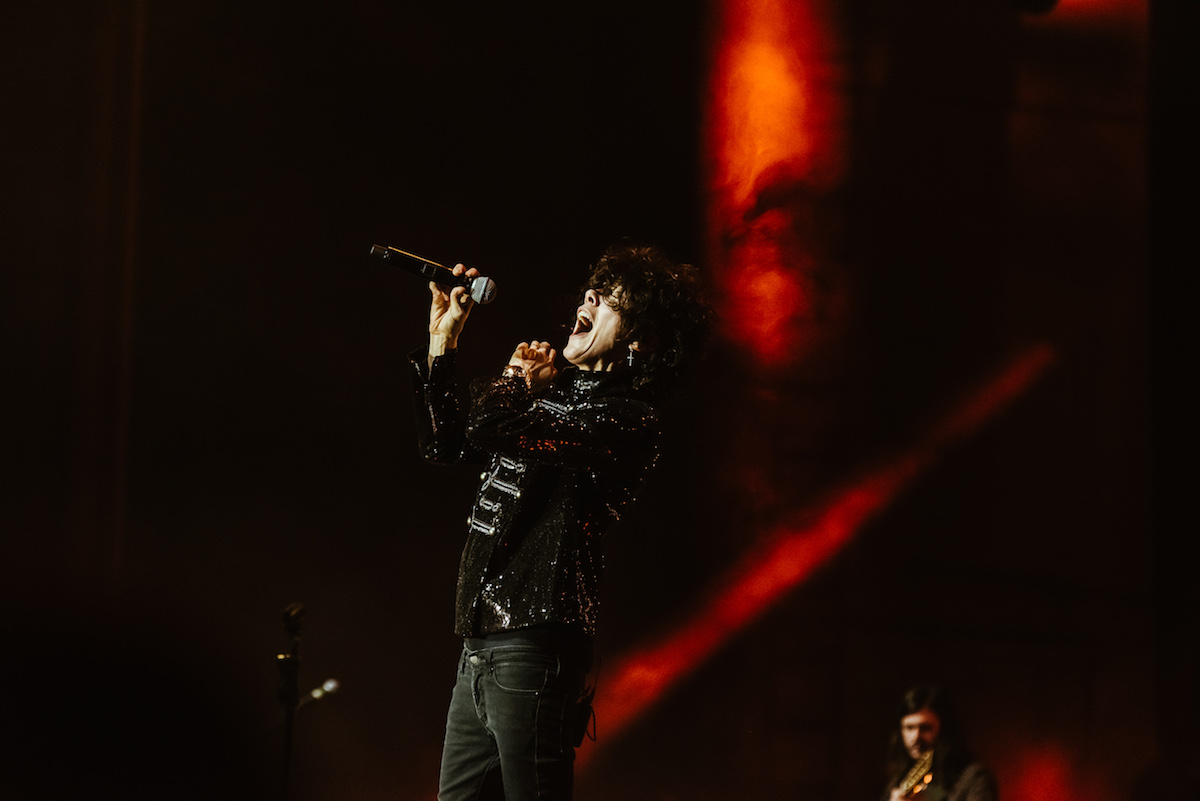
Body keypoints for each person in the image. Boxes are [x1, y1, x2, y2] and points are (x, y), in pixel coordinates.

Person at [410, 242, 709, 801]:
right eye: (593, 290)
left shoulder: (626, 420)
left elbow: (489, 426)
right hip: (479, 645)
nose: (589, 296)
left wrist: (516, 381)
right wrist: (442, 341)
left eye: (610, 299)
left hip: (533, 647)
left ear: (640, 341)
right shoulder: (553, 394)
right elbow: (445, 444)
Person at [881, 684, 998, 801]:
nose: (915, 737)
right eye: (909, 727)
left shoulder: (975, 778)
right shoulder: (899, 779)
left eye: (925, 728)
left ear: (944, 730)